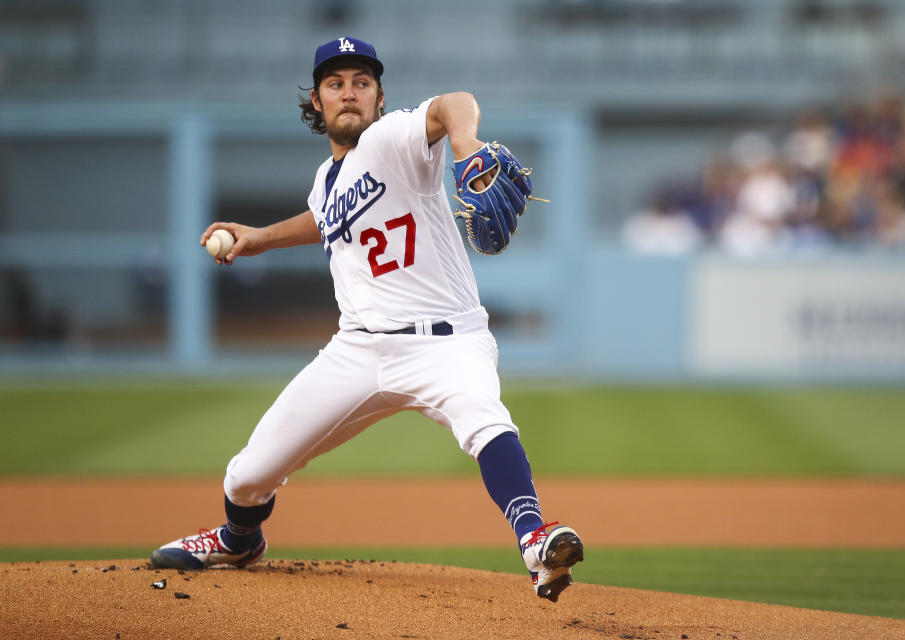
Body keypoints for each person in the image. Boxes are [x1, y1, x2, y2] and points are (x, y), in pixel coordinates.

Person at [150, 36, 584, 602]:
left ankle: (535, 540)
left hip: (445, 342)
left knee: (483, 417)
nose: (349, 92)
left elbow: (453, 102)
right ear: (316, 101)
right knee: (247, 475)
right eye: (336, 84)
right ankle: (239, 539)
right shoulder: (326, 180)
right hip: (357, 351)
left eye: (362, 82)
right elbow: (325, 215)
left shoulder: (391, 138)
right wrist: (262, 238)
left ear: (380, 99)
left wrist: (467, 146)